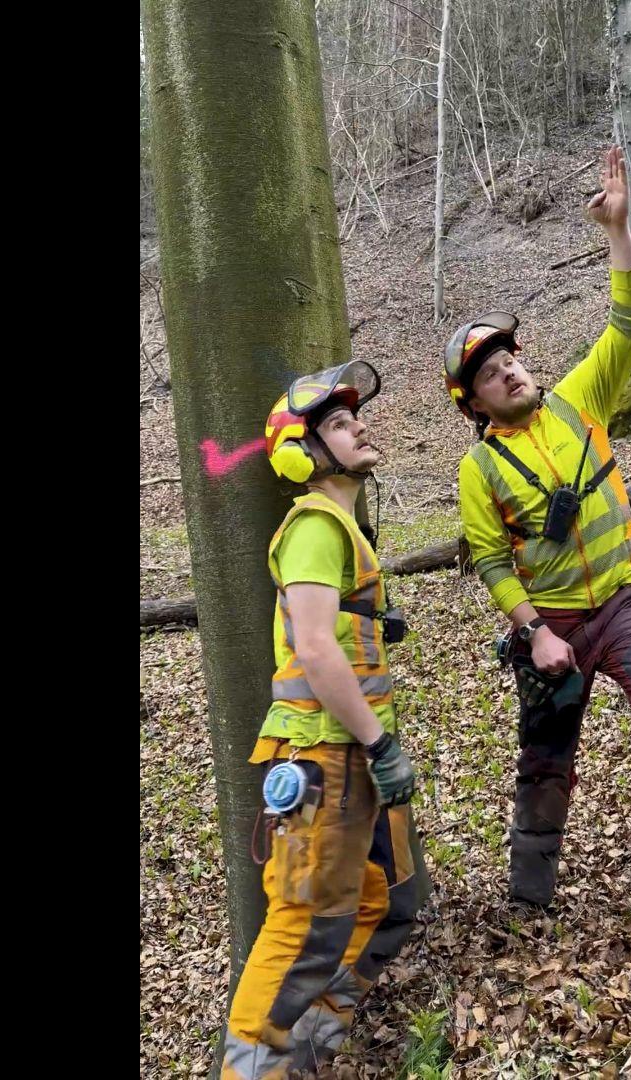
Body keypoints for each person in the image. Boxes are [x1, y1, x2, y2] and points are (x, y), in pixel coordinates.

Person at [443, 146, 631, 924]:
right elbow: (489, 559)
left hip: (625, 601)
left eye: (510, 358)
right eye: (488, 372)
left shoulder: (581, 399)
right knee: (545, 761)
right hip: (553, 624)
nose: (508, 372)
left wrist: (619, 232)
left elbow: (630, 320)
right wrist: (534, 630)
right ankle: (527, 901)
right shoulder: (479, 470)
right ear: (473, 403)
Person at [220, 360, 430, 1079]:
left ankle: (308, 1045)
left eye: (352, 416)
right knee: (303, 925)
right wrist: (380, 744)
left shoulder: (342, 528)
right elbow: (313, 645)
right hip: (325, 756)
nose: (359, 425)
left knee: (369, 899)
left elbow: (331, 634)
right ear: (303, 452)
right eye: (339, 422)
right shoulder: (314, 523)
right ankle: (250, 1070)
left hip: (342, 756)